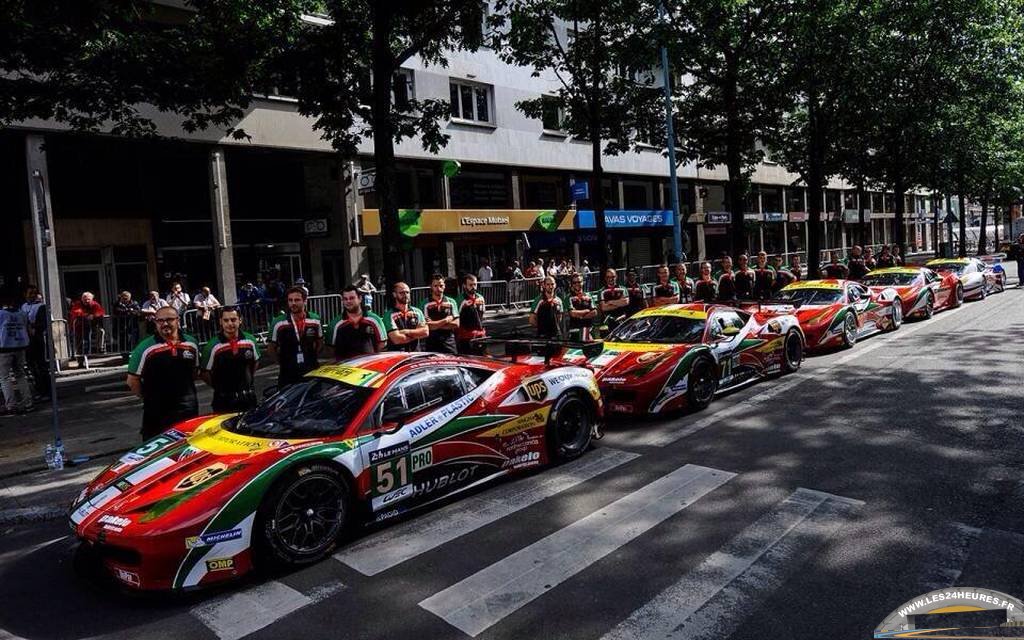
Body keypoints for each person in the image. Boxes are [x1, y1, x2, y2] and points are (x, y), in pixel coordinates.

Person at [126, 306, 199, 440]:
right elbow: (132, 380)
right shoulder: (144, 348)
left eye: (169, 319)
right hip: (157, 413)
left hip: (187, 409)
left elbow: (194, 373)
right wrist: (149, 398)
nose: (165, 324)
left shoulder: (192, 343)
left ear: (178, 320)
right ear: (155, 322)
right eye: (160, 320)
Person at [200, 306, 260, 413]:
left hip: (248, 397)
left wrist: (248, 379)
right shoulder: (212, 345)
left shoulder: (250, 340)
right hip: (224, 400)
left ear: (240, 320)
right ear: (220, 322)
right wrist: (219, 387)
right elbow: (204, 372)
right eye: (226, 320)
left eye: (233, 320)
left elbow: (255, 362)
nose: (230, 324)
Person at [267, 286, 323, 387]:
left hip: (311, 369)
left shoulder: (315, 320)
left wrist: (311, 356)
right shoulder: (278, 322)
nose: (293, 303)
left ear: (305, 301)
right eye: (290, 300)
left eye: (297, 300)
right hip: (288, 373)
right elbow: (271, 348)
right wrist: (282, 363)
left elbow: (320, 342)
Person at [326, 285, 387, 360]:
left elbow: (382, 344)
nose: (348, 301)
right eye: (345, 299)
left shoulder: (375, 320)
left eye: (352, 298)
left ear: (360, 299)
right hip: (345, 367)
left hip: (369, 366)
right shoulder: (335, 324)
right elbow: (330, 349)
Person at [0, 296, 33, 415]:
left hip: (4, 348)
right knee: (20, 374)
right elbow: (27, 328)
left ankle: (11, 405)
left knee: (4, 377)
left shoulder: (1, 314)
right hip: (20, 346)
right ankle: (28, 402)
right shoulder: (22, 314)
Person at [21, 286, 49, 399]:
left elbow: (43, 324)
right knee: (31, 366)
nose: (31, 295)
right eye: (29, 293)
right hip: (26, 340)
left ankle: (47, 391)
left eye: (34, 293)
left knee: (41, 366)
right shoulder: (23, 306)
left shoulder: (41, 306)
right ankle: (39, 390)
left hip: (37, 339)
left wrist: (33, 326)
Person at [384, 282, 429, 352]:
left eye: (407, 292)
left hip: (416, 354)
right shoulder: (389, 315)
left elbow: (425, 332)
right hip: (398, 355)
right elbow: (397, 339)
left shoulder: (417, 312)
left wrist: (406, 331)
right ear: (394, 295)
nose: (405, 295)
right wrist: (417, 334)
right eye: (401, 293)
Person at [422, 274, 459, 354]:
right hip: (432, 342)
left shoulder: (451, 302)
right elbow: (428, 326)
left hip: (449, 341)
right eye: (435, 286)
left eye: (441, 285)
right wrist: (446, 320)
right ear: (431, 287)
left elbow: (456, 324)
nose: (438, 288)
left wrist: (435, 324)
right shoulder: (424, 303)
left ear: (444, 286)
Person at [456, 274, 487, 355]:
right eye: (470, 285)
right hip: (465, 337)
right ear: (464, 286)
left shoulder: (480, 297)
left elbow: (482, 314)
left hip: (480, 335)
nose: (473, 287)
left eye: (475, 284)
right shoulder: (460, 299)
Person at [69, 291, 106, 358]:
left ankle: (100, 348)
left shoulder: (95, 304)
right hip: (80, 326)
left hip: (92, 325)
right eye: (85, 299)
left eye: (88, 299)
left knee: (101, 331)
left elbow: (101, 312)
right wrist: (86, 315)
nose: (87, 301)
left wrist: (94, 315)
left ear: (92, 299)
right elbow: (76, 312)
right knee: (81, 342)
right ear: (82, 299)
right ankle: (81, 360)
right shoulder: (78, 304)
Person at [566, 275, 597, 342]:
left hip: (589, 330)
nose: (577, 284)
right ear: (571, 284)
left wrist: (580, 316)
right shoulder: (568, 297)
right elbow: (573, 313)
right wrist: (587, 310)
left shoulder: (588, 295)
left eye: (579, 282)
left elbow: (594, 312)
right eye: (574, 282)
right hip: (575, 332)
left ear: (583, 282)